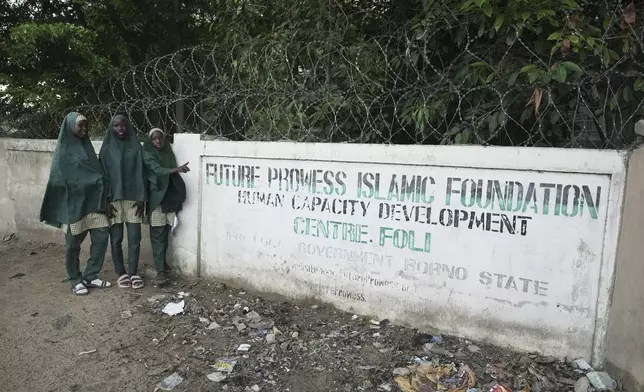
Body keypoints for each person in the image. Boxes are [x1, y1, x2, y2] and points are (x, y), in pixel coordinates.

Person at [40, 112, 116, 295]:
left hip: (95, 204)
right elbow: (59, 180)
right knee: (73, 244)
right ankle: (75, 279)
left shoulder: (87, 147)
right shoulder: (63, 152)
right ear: (70, 127)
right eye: (80, 125)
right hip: (76, 205)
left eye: (85, 126)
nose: (84, 129)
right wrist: (86, 181)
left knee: (101, 237)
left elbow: (98, 174)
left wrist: (103, 194)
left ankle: (91, 275)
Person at [99, 114, 147, 289]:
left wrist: (142, 198)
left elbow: (143, 173)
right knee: (116, 238)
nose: (120, 129)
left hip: (134, 199)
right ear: (111, 128)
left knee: (135, 237)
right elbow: (102, 178)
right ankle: (121, 272)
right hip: (114, 200)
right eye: (116, 126)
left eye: (123, 125)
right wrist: (105, 201)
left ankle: (133, 272)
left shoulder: (136, 147)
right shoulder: (106, 150)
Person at [143, 128, 189, 285]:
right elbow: (157, 170)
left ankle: (162, 264)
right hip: (156, 199)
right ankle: (160, 271)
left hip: (168, 199)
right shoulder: (148, 154)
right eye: (154, 139)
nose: (157, 142)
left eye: (160, 139)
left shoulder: (167, 152)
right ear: (150, 141)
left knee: (164, 234)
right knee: (157, 236)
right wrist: (176, 169)